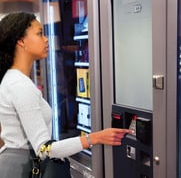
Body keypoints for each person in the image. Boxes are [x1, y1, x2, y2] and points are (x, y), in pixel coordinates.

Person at [0, 12, 131, 178]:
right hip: (23, 170)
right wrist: (96, 137)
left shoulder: (12, 79)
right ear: (21, 41)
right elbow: (46, 149)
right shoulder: (20, 85)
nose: (46, 39)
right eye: (40, 34)